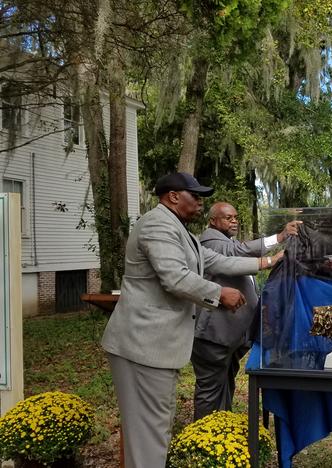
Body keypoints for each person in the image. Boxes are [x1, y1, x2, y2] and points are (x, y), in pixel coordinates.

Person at [101, 173, 278, 468]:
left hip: (157, 348)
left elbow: (216, 261)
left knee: (155, 429)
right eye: (194, 196)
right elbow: (174, 278)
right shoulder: (157, 225)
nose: (199, 202)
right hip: (143, 344)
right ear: (172, 196)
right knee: (149, 433)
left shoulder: (178, 230)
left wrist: (269, 261)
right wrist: (220, 293)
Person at [191, 201, 301, 420]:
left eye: (235, 217)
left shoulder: (225, 240)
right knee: (210, 390)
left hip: (229, 335)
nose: (234, 221)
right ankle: (202, 440)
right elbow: (237, 252)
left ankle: (221, 430)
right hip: (214, 334)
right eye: (228, 217)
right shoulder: (212, 241)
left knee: (224, 384)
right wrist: (278, 239)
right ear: (213, 221)